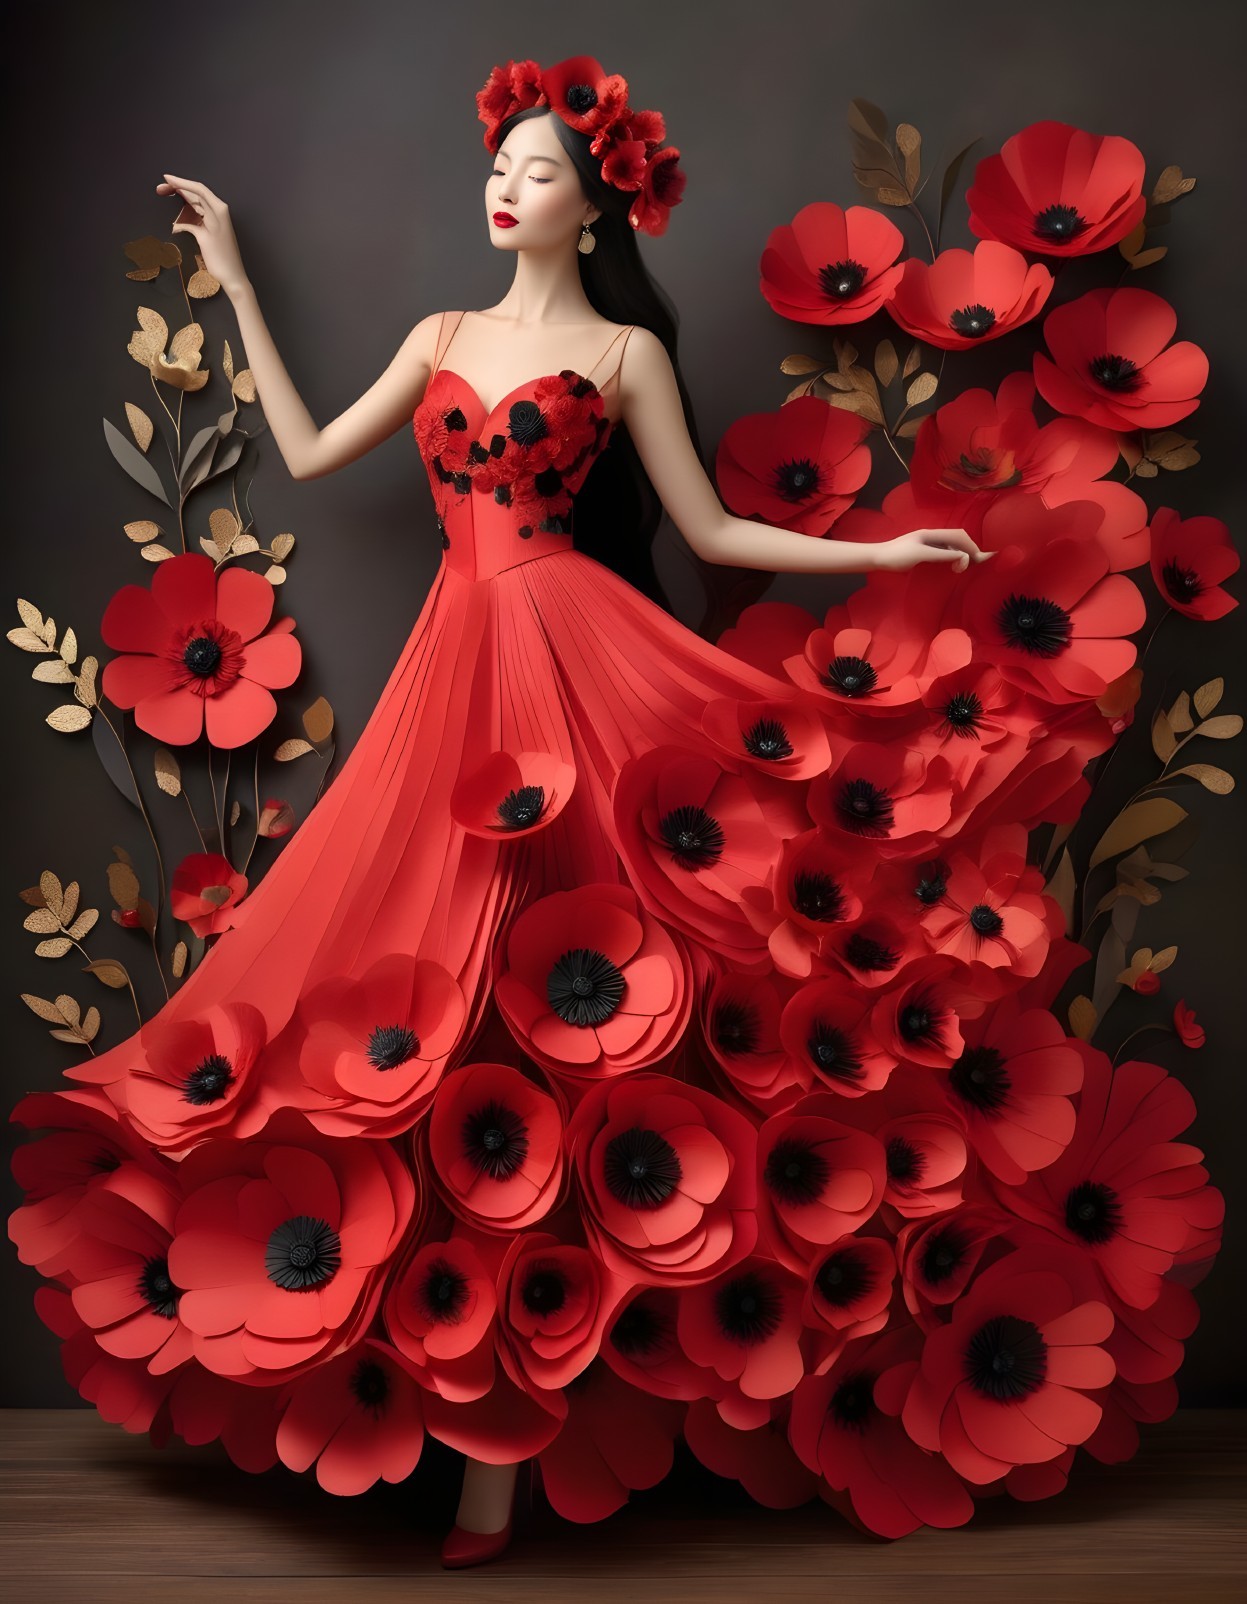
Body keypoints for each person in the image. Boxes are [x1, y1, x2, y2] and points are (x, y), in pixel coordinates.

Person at [16, 54, 990, 1572]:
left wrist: (887, 556)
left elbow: (711, 528)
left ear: (593, 204)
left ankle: (545, 1439)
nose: (507, 185)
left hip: (575, 655)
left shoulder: (621, 355)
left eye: (539, 170)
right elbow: (308, 448)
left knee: (574, 994)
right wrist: (231, 283)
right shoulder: (443, 333)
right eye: (504, 165)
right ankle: (474, 1441)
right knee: (426, 991)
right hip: (453, 665)